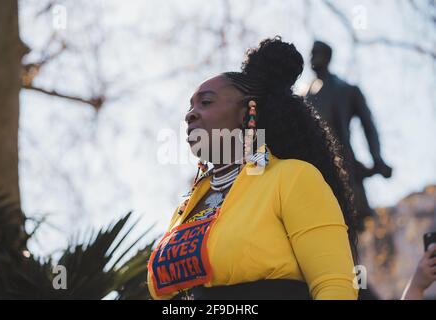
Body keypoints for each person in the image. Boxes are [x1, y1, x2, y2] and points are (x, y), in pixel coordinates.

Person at [147, 36, 358, 300]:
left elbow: (335, 286)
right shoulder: (188, 207)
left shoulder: (292, 178)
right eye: (190, 106)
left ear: (248, 111)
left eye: (206, 102)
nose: (190, 113)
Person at [306, 41, 392, 228]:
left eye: (316, 53)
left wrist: (377, 158)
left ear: (328, 57)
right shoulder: (304, 97)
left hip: (344, 166)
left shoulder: (346, 90)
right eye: (311, 54)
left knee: (348, 225)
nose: (311, 59)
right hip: (313, 170)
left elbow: (368, 126)